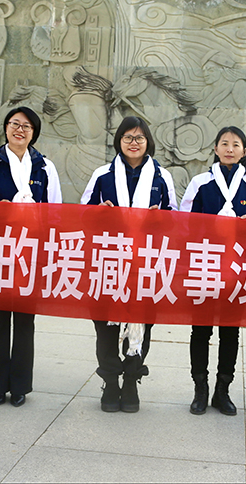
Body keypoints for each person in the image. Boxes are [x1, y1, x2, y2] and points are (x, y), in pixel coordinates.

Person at [0, 106, 62, 407]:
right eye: (15, 124)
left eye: (26, 126)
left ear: (34, 133)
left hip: (30, 254)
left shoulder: (45, 168)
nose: (20, 130)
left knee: (24, 321)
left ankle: (20, 385)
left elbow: (54, 212)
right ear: (6, 128)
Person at [81, 115, 178, 413]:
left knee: (141, 323)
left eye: (139, 138)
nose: (133, 143)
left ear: (148, 142)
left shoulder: (162, 176)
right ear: (119, 141)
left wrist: (162, 217)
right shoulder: (102, 175)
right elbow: (83, 214)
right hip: (108, 261)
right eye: (128, 137)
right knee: (105, 326)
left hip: (146, 262)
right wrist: (99, 211)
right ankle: (111, 382)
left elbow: (175, 218)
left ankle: (132, 381)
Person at [180, 126, 246, 416]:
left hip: (237, 267)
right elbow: (184, 222)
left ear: (244, 151)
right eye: (224, 143)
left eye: (236, 144)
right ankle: (200, 389)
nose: (230, 149)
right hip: (205, 265)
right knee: (200, 329)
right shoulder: (200, 182)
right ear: (216, 149)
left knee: (230, 331)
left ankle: (223, 391)